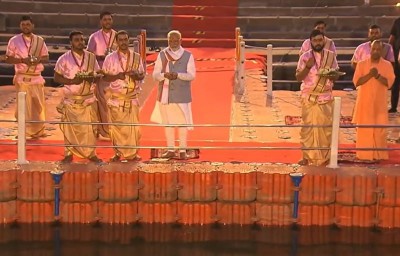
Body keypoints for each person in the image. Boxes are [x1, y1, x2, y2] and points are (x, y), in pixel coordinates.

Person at [54, 31, 102, 164]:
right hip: (71, 100)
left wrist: (93, 77)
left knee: (91, 128)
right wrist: (72, 81)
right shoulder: (63, 59)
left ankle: (91, 153)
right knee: (70, 128)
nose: (80, 42)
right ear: (71, 42)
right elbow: (56, 77)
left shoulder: (91, 57)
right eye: (77, 40)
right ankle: (69, 154)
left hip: (88, 99)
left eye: (82, 39)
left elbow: (98, 74)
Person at [295, 29, 339, 166]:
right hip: (309, 97)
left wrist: (331, 75)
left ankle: (324, 158)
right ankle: (306, 157)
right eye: (315, 41)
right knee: (308, 128)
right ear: (311, 42)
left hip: (325, 97)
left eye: (320, 40)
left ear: (324, 41)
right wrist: (307, 67)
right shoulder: (305, 57)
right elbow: (298, 78)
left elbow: (336, 76)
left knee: (324, 128)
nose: (318, 43)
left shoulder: (331, 56)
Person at [151, 30, 196, 160]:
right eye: (171, 40)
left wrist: (178, 75)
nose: (173, 43)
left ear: (180, 41)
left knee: (182, 123)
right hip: (165, 95)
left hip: (182, 95)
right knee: (168, 123)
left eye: (176, 40)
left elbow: (192, 75)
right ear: (168, 40)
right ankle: (170, 149)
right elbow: (155, 75)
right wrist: (165, 75)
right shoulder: (162, 55)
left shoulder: (188, 55)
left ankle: (182, 150)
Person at [102, 30, 144, 162]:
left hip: (131, 99)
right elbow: (104, 76)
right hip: (116, 99)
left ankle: (132, 153)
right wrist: (117, 76)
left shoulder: (136, 57)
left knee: (133, 129)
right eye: (120, 40)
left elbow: (142, 75)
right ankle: (118, 153)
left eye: (125, 39)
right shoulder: (110, 58)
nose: (123, 42)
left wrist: (136, 75)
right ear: (116, 42)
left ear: (128, 40)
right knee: (116, 128)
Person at [5, 15, 49, 138]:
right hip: (22, 78)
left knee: (38, 106)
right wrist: (23, 60)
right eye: (23, 25)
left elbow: (46, 57)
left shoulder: (39, 41)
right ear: (20, 26)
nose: (25, 27)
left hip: (36, 77)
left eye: (28, 24)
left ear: (32, 25)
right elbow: (8, 59)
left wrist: (37, 60)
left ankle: (38, 130)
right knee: (23, 106)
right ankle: (23, 131)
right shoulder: (14, 40)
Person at [352, 40, 395, 161]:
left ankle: (379, 155)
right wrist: (370, 75)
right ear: (370, 50)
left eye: (378, 50)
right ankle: (363, 155)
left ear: (382, 51)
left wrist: (377, 76)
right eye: (373, 49)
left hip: (379, 104)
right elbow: (357, 82)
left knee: (379, 130)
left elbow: (389, 83)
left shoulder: (387, 65)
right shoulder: (361, 64)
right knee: (364, 130)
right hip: (364, 103)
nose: (375, 51)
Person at [87, 11, 118, 138]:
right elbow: (88, 55)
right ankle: (102, 129)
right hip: (100, 73)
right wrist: (100, 57)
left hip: (114, 74)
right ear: (101, 22)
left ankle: (114, 129)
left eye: (109, 19)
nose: (107, 22)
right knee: (101, 102)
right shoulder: (94, 37)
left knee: (114, 102)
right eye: (105, 20)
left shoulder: (117, 36)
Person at [388, 17, 400, 113]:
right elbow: (392, 38)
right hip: (397, 57)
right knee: (396, 83)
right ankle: (393, 107)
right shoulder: (397, 21)